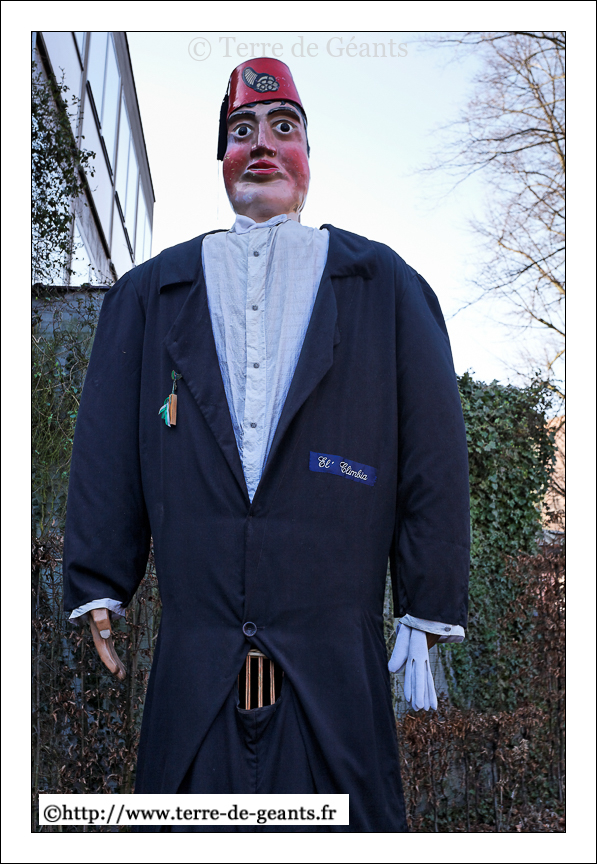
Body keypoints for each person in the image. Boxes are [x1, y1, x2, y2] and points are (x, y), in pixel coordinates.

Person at [63, 58, 470, 833]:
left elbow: (433, 455)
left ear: (308, 155)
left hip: (335, 691)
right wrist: (98, 578)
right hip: (194, 689)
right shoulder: (149, 295)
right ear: (221, 157)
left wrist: (428, 599)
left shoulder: (383, 287)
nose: (260, 144)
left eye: (283, 128)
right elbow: (106, 449)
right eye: (240, 131)